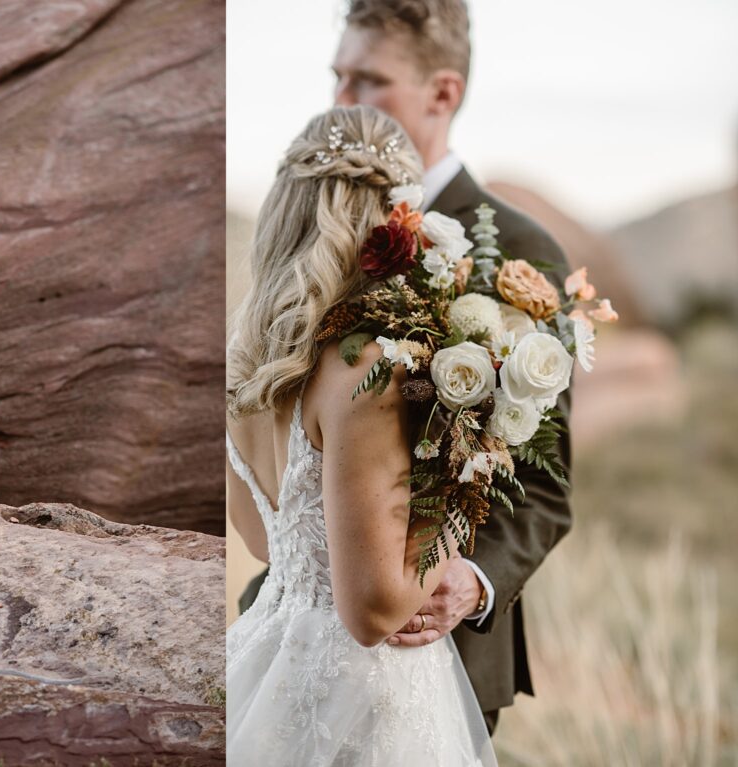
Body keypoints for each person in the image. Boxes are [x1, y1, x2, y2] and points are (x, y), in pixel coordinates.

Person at [239, 0, 573, 735]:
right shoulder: (316, 249)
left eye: (368, 81)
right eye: (338, 77)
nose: (342, 100)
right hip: (306, 636)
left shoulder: (516, 248)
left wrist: (470, 581)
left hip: (440, 649)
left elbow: (547, 482)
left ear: (442, 92)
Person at [226, 104, 496, 766]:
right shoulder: (367, 367)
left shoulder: (248, 354)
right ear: (390, 218)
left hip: (269, 660)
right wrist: (450, 527)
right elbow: (373, 613)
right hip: (360, 699)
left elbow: (268, 537)